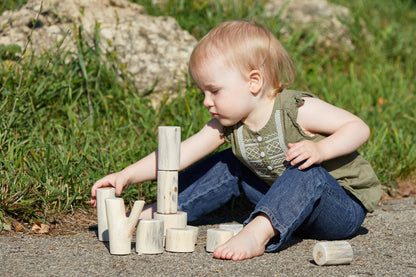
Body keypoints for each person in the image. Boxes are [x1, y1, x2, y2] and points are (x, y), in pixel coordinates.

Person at [90, 20, 381, 261]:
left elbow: (357, 127)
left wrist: (320, 149)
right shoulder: (228, 125)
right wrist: (126, 175)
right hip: (285, 200)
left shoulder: (295, 109)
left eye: (214, 91)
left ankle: (259, 231)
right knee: (230, 162)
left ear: (253, 82)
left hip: (338, 207)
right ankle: (164, 211)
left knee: (307, 172)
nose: (207, 101)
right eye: (203, 92)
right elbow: (176, 156)